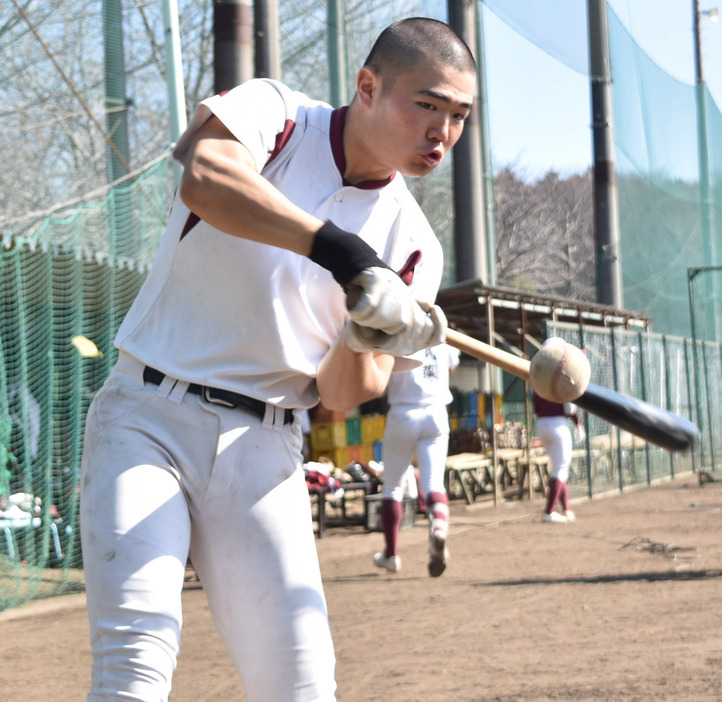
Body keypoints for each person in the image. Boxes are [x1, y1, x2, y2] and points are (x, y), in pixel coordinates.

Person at [78, 18, 476, 702]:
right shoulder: (279, 113)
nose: (442, 131)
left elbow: (344, 396)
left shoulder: (416, 247)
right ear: (369, 86)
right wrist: (340, 251)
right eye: (428, 105)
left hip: (266, 448)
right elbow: (206, 178)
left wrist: (365, 332)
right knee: (135, 665)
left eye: (459, 116)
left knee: (301, 687)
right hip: (146, 418)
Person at [373, 343, 460, 577]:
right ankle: (439, 528)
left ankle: (391, 555)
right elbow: (452, 366)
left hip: (403, 411)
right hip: (436, 412)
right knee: (433, 484)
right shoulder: (441, 329)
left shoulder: (395, 326)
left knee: (392, 486)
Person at [532, 390, 584, 524]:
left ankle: (566, 508)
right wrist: (577, 423)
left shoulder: (539, 380)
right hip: (557, 423)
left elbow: (536, 408)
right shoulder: (560, 379)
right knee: (561, 467)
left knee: (560, 467)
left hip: (541, 423)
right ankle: (549, 512)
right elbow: (569, 407)